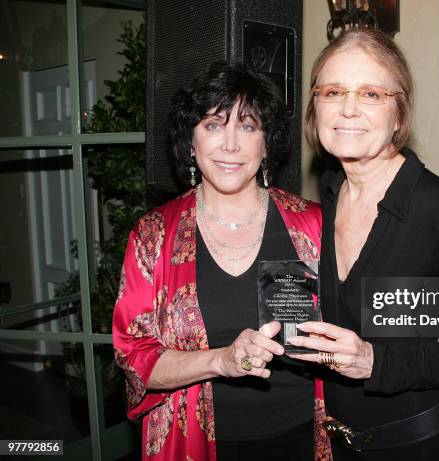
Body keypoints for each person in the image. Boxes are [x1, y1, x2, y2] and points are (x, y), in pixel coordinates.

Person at [287, 28, 439, 460]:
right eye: (333, 91)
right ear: (315, 108)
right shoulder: (332, 191)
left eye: (371, 93)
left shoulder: (437, 205)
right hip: (337, 442)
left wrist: (378, 361)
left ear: (398, 115)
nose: (348, 109)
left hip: (414, 445)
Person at [112, 62, 331, 461]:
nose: (230, 145)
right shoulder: (154, 235)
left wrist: (432, 318)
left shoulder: (312, 224)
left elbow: (359, 309)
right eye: (213, 125)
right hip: (195, 444)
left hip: (302, 438)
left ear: (266, 144)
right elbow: (135, 358)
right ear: (191, 143)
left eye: (247, 127)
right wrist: (222, 360)